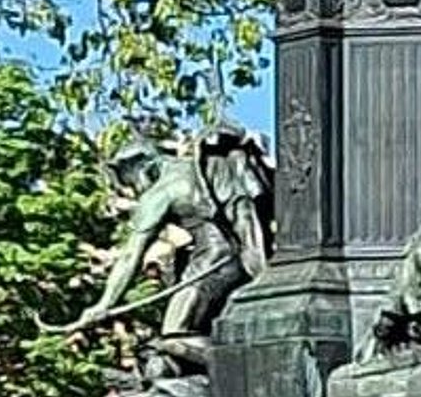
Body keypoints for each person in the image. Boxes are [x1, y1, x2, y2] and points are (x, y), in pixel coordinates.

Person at [65, 122, 272, 379]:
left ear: (140, 167)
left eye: (130, 180)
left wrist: (103, 304)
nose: (135, 189)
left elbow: (130, 257)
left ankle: (259, 368)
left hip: (213, 263)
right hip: (238, 255)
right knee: (179, 344)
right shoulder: (195, 167)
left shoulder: (160, 193)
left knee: (175, 334)